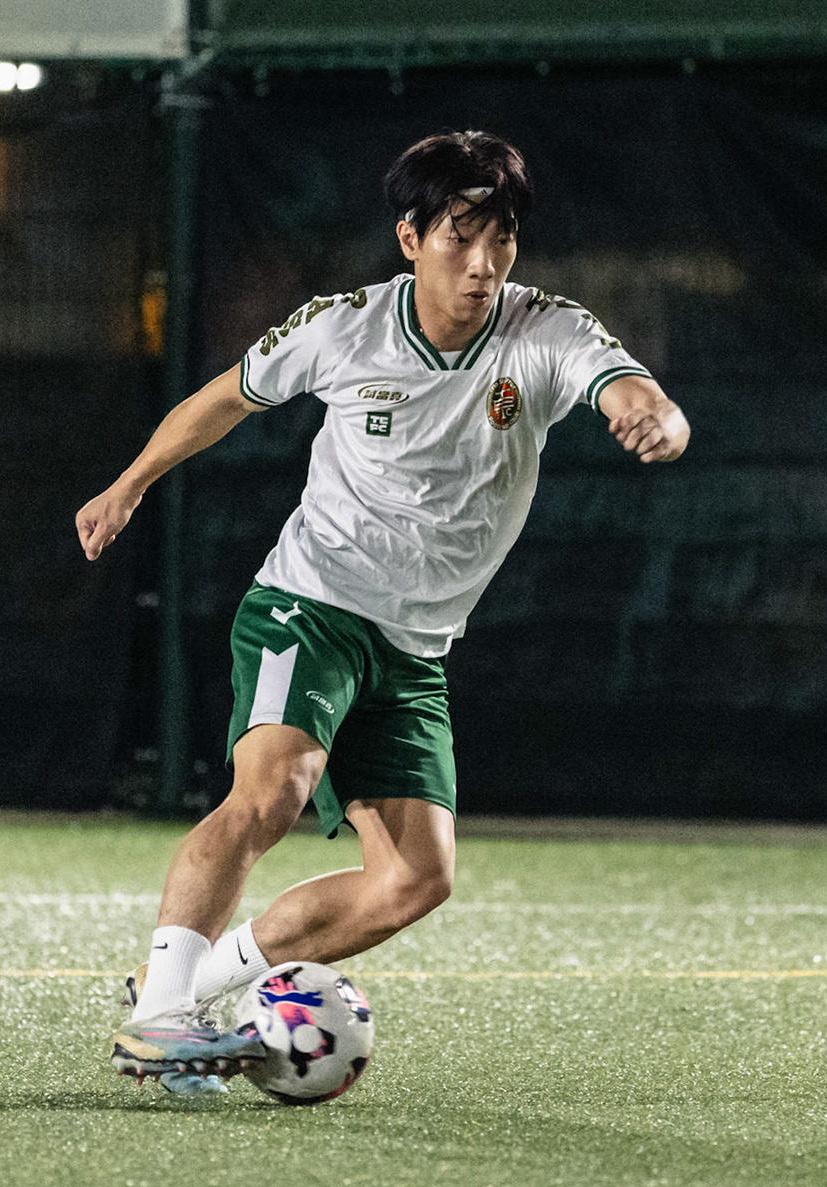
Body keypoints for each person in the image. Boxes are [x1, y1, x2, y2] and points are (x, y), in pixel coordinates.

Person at [75, 130, 690, 1095]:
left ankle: (192, 983)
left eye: (501, 239)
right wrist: (129, 485)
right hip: (311, 603)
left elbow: (633, 388)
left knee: (414, 880)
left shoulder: (546, 331)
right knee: (273, 792)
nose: (482, 265)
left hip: (414, 648)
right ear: (410, 238)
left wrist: (657, 418)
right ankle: (157, 1022)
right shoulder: (344, 328)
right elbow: (224, 399)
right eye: (459, 238)